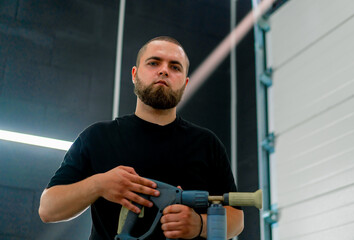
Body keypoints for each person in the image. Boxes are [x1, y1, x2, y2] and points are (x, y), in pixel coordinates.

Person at [39, 36, 244, 240]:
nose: (164, 70)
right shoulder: (97, 137)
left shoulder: (207, 144)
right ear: (134, 74)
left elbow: (237, 220)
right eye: (154, 63)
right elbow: (48, 209)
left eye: (175, 67)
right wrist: (98, 185)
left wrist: (200, 225)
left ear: (185, 83)